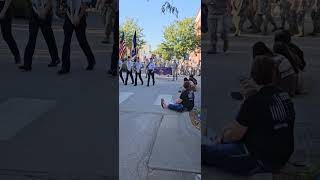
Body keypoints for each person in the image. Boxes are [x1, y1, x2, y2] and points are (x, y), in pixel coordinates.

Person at [202, 56, 295, 175]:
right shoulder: (284, 96)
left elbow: (234, 136)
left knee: (204, 151)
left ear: (253, 76)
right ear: (275, 75)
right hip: (283, 155)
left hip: (258, 159)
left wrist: (223, 137)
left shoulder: (254, 101)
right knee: (216, 135)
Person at [19, 0, 60, 71]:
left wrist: (45, 11)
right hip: (34, 11)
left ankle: (55, 58)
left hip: (45, 11)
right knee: (32, 38)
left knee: (48, 37)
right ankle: (27, 64)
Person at [58, 0, 96, 75]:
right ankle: (65, 66)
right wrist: (70, 17)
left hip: (80, 14)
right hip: (69, 15)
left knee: (82, 40)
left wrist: (78, 17)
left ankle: (91, 60)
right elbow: (63, 5)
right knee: (66, 41)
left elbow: (84, 5)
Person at [0, 0, 21, 64]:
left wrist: (3, 11)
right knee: (6, 35)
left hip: (5, 7)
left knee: (7, 35)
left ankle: (17, 55)